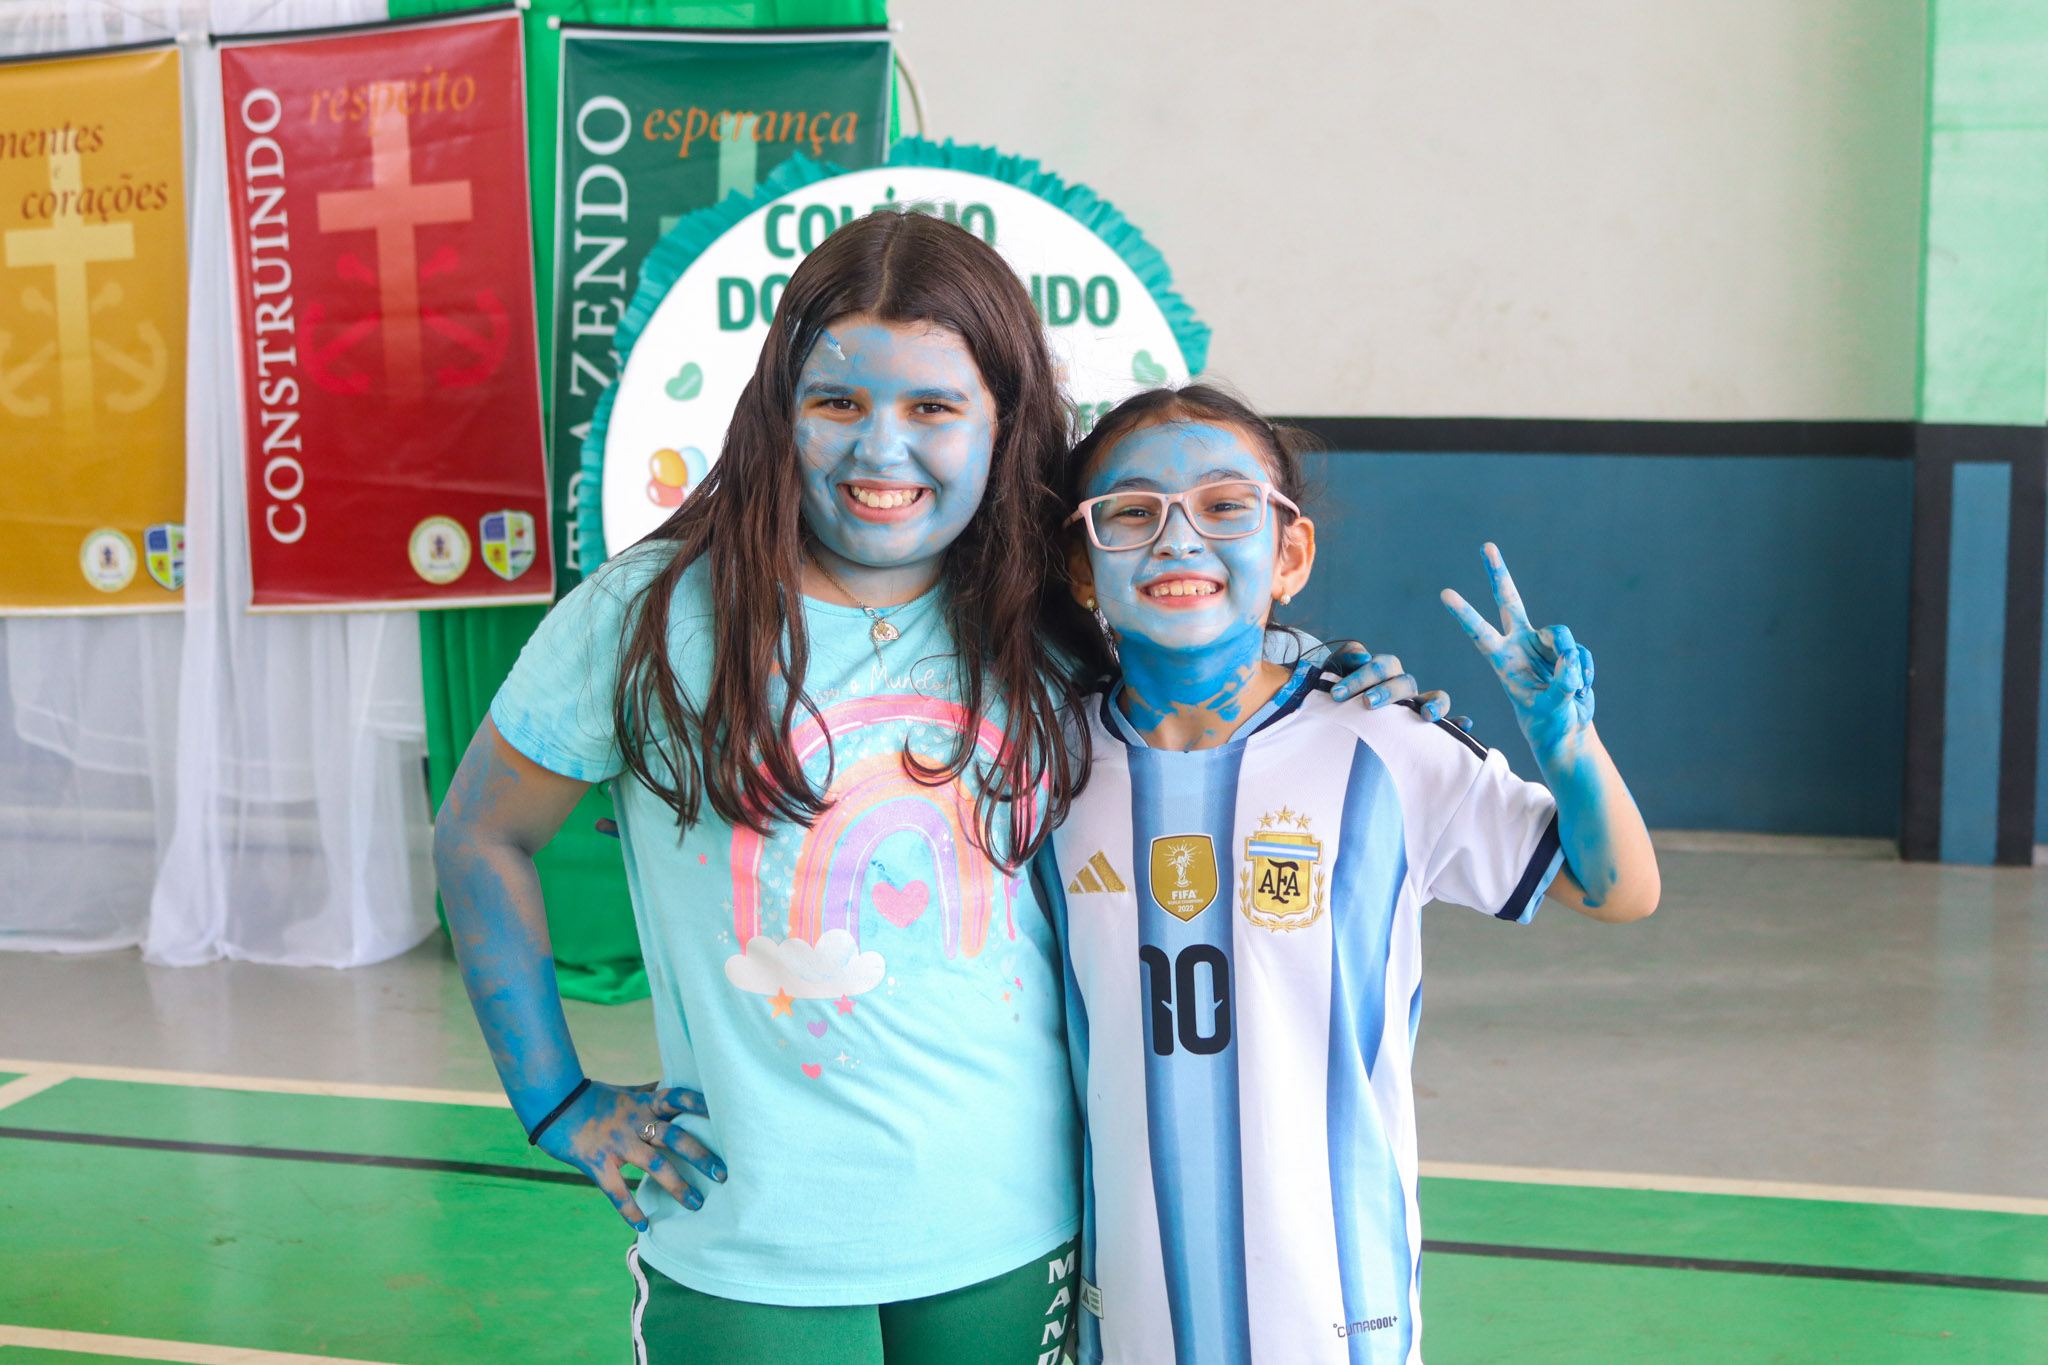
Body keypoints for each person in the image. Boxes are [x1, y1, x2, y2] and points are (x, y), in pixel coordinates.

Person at [430, 213, 1442, 1364]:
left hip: (1013, 1236)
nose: (880, 450)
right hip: (747, 1242)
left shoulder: (1050, 621)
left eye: (932, 408)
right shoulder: (649, 614)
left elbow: (1225, 679)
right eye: (837, 402)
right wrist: (557, 1101)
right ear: (778, 409)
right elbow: (479, 836)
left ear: (1003, 420)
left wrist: (1332, 681)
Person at [1044, 385, 1660, 1365]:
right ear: (1080, 567)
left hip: (1338, 1307)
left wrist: (1569, 746)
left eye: (1224, 505)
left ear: (1289, 555)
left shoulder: (1383, 741)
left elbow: (1619, 889)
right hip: (1127, 1305)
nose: (1178, 538)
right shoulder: (1044, 769)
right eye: (1130, 512)